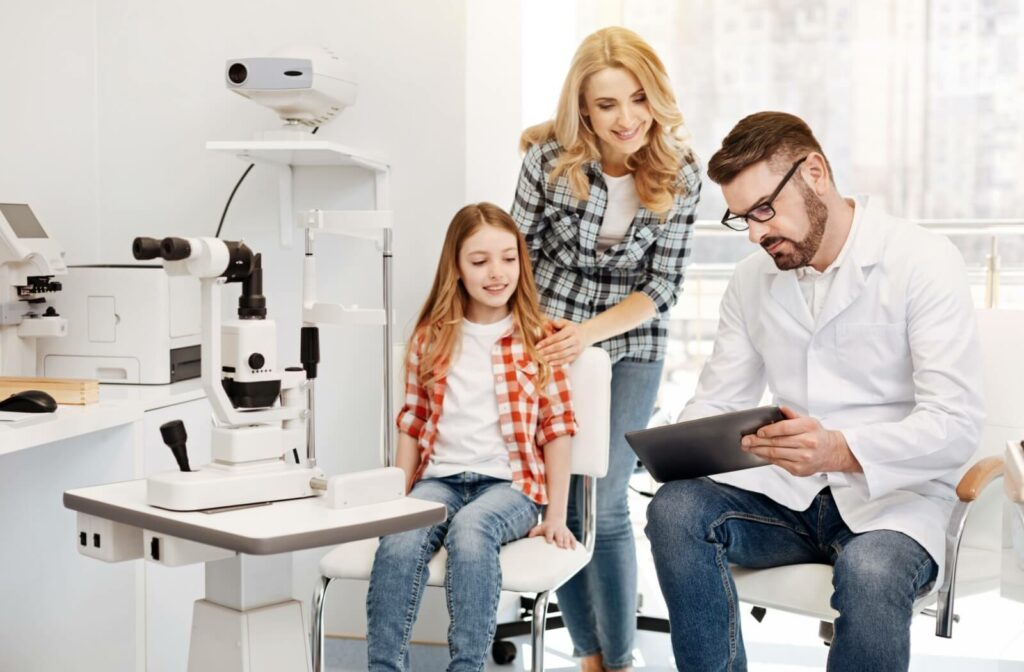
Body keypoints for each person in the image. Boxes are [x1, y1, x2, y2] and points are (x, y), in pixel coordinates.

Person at [645, 111, 984, 671]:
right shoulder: (752, 281)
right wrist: (680, 445)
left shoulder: (921, 261)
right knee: (675, 510)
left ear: (815, 172)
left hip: (894, 503)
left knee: (871, 571)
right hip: (786, 500)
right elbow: (717, 398)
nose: (755, 234)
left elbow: (955, 424)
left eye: (763, 210)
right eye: (742, 220)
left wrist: (839, 449)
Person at [511, 26, 701, 672]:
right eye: (608, 105)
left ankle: (619, 660)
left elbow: (663, 287)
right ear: (584, 110)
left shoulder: (682, 173)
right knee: (554, 497)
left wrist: (588, 334)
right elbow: (520, 260)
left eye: (638, 99)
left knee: (611, 495)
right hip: (550, 333)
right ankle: (587, 652)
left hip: (632, 338)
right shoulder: (546, 159)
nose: (628, 119)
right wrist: (543, 337)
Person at [365, 202, 579, 672]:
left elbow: (557, 430)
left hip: (511, 487)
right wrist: (398, 499)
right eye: (480, 262)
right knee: (399, 541)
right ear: (457, 268)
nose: (497, 272)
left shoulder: (538, 336)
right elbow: (413, 423)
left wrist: (558, 514)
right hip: (439, 481)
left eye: (508, 258)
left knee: (471, 530)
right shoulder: (432, 337)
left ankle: (467, 666)